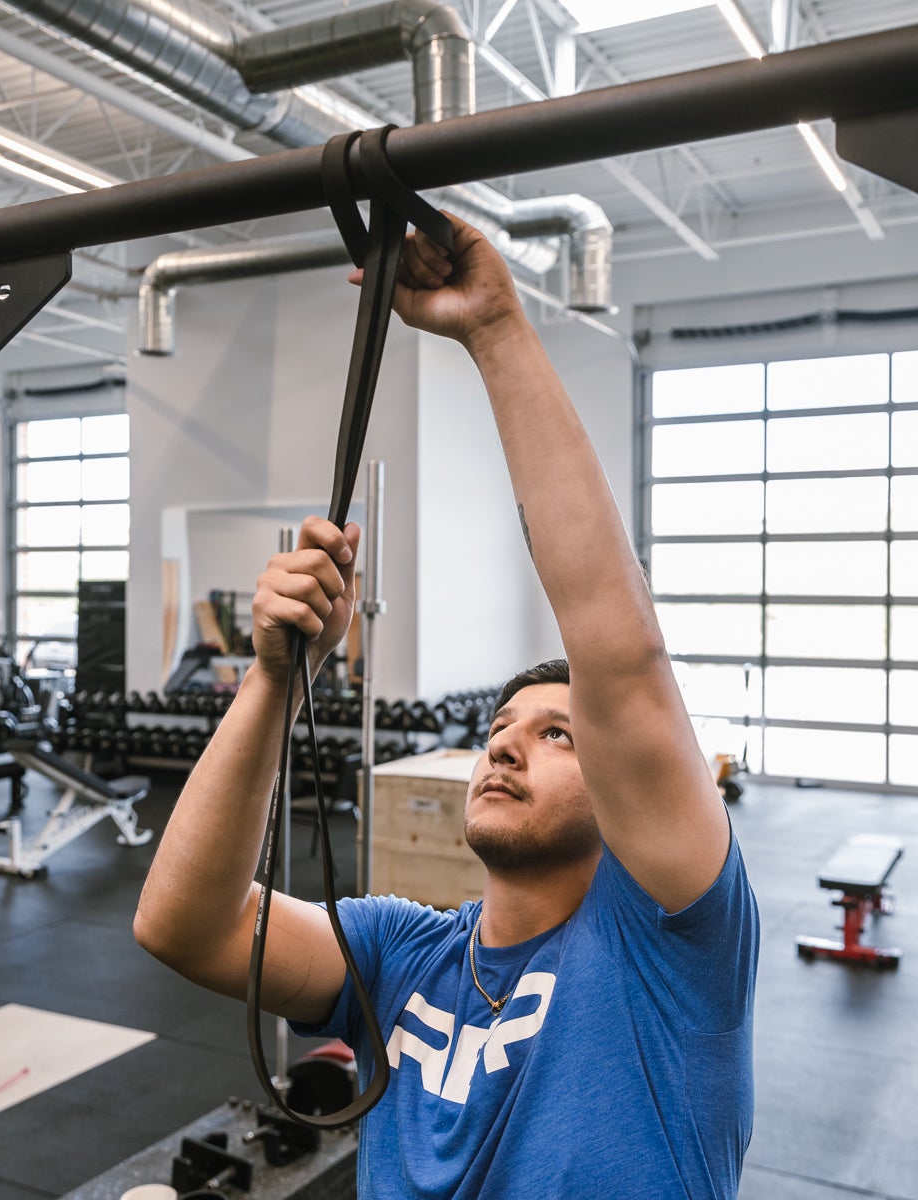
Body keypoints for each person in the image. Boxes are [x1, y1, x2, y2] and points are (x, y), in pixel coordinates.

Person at [134, 214, 760, 1198]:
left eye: (556, 735)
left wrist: (496, 329)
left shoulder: (670, 947)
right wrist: (273, 681)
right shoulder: (402, 953)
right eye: (500, 733)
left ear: (627, 791)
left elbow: (623, 658)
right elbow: (186, 925)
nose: (505, 752)